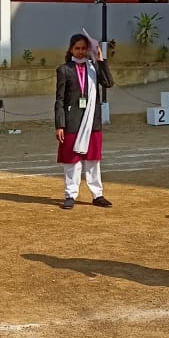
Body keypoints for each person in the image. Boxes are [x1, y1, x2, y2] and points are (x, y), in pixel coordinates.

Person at [55, 33, 115, 210]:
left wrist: (101, 60)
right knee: (72, 161)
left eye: (83, 48)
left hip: (92, 120)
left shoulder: (94, 66)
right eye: (77, 48)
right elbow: (59, 99)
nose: (80, 52)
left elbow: (108, 83)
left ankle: (97, 195)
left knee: (93, 160)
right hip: (72, 121)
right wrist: (60, 124)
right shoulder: (64, 69)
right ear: (71, 49)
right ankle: (70, 195)